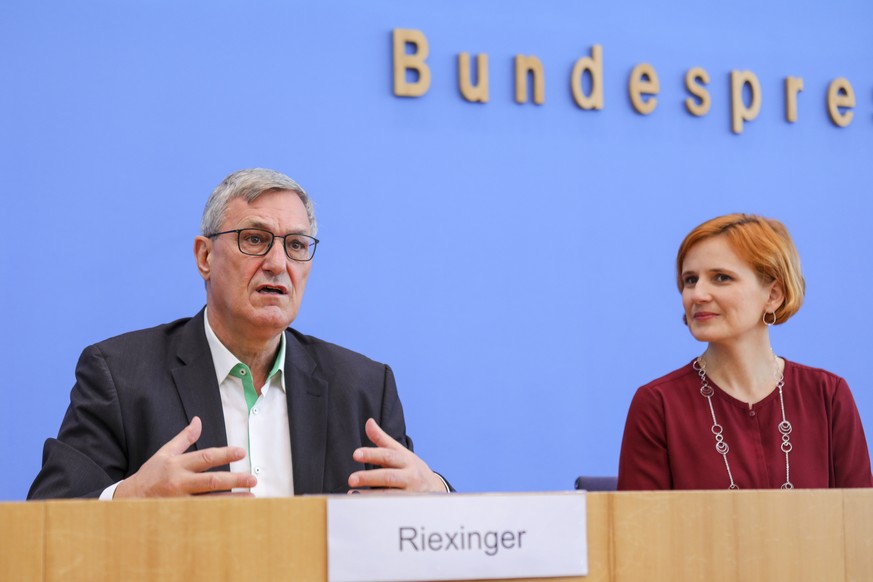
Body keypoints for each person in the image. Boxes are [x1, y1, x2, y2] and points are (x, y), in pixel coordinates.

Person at [29, 168, 450, 499]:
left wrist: (437, 494)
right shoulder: (121, 375)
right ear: (205, 256)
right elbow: (47, 520)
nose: (277, 263)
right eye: (254, 239)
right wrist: (129, 496)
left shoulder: (362, 389)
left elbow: (411, 524)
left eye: (297, 245)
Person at [618, 213, 872, 490]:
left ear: (773, 295)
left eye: (721, 277)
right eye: (690, 280)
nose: (697, 295)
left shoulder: (827, 395)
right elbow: (640, 529)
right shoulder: (658, 405)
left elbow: (859, 523)